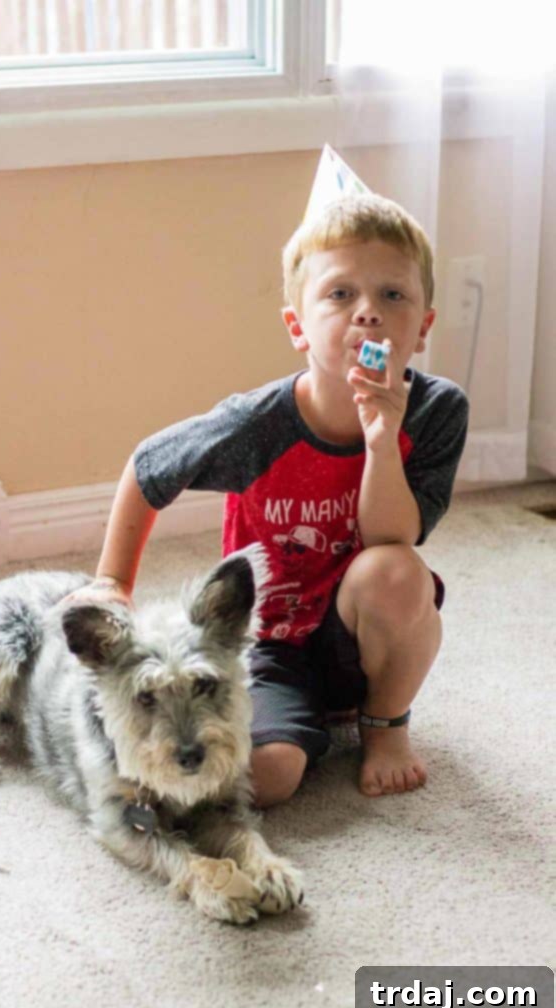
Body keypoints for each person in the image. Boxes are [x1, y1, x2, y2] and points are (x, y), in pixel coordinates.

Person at [66, 193, 469, 808]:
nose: (367, 313)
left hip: (363, 636)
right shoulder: (258, 425)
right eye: (340, 294)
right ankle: (301, 725)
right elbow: (148, 468)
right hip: (271, 645)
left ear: (423, 327)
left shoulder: (438, 411)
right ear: (297, 325)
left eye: (392, 295)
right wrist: (111, 581)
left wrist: (382, 440)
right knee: (266, 779)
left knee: (394, 572)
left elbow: (393, 540)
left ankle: (384, 724)